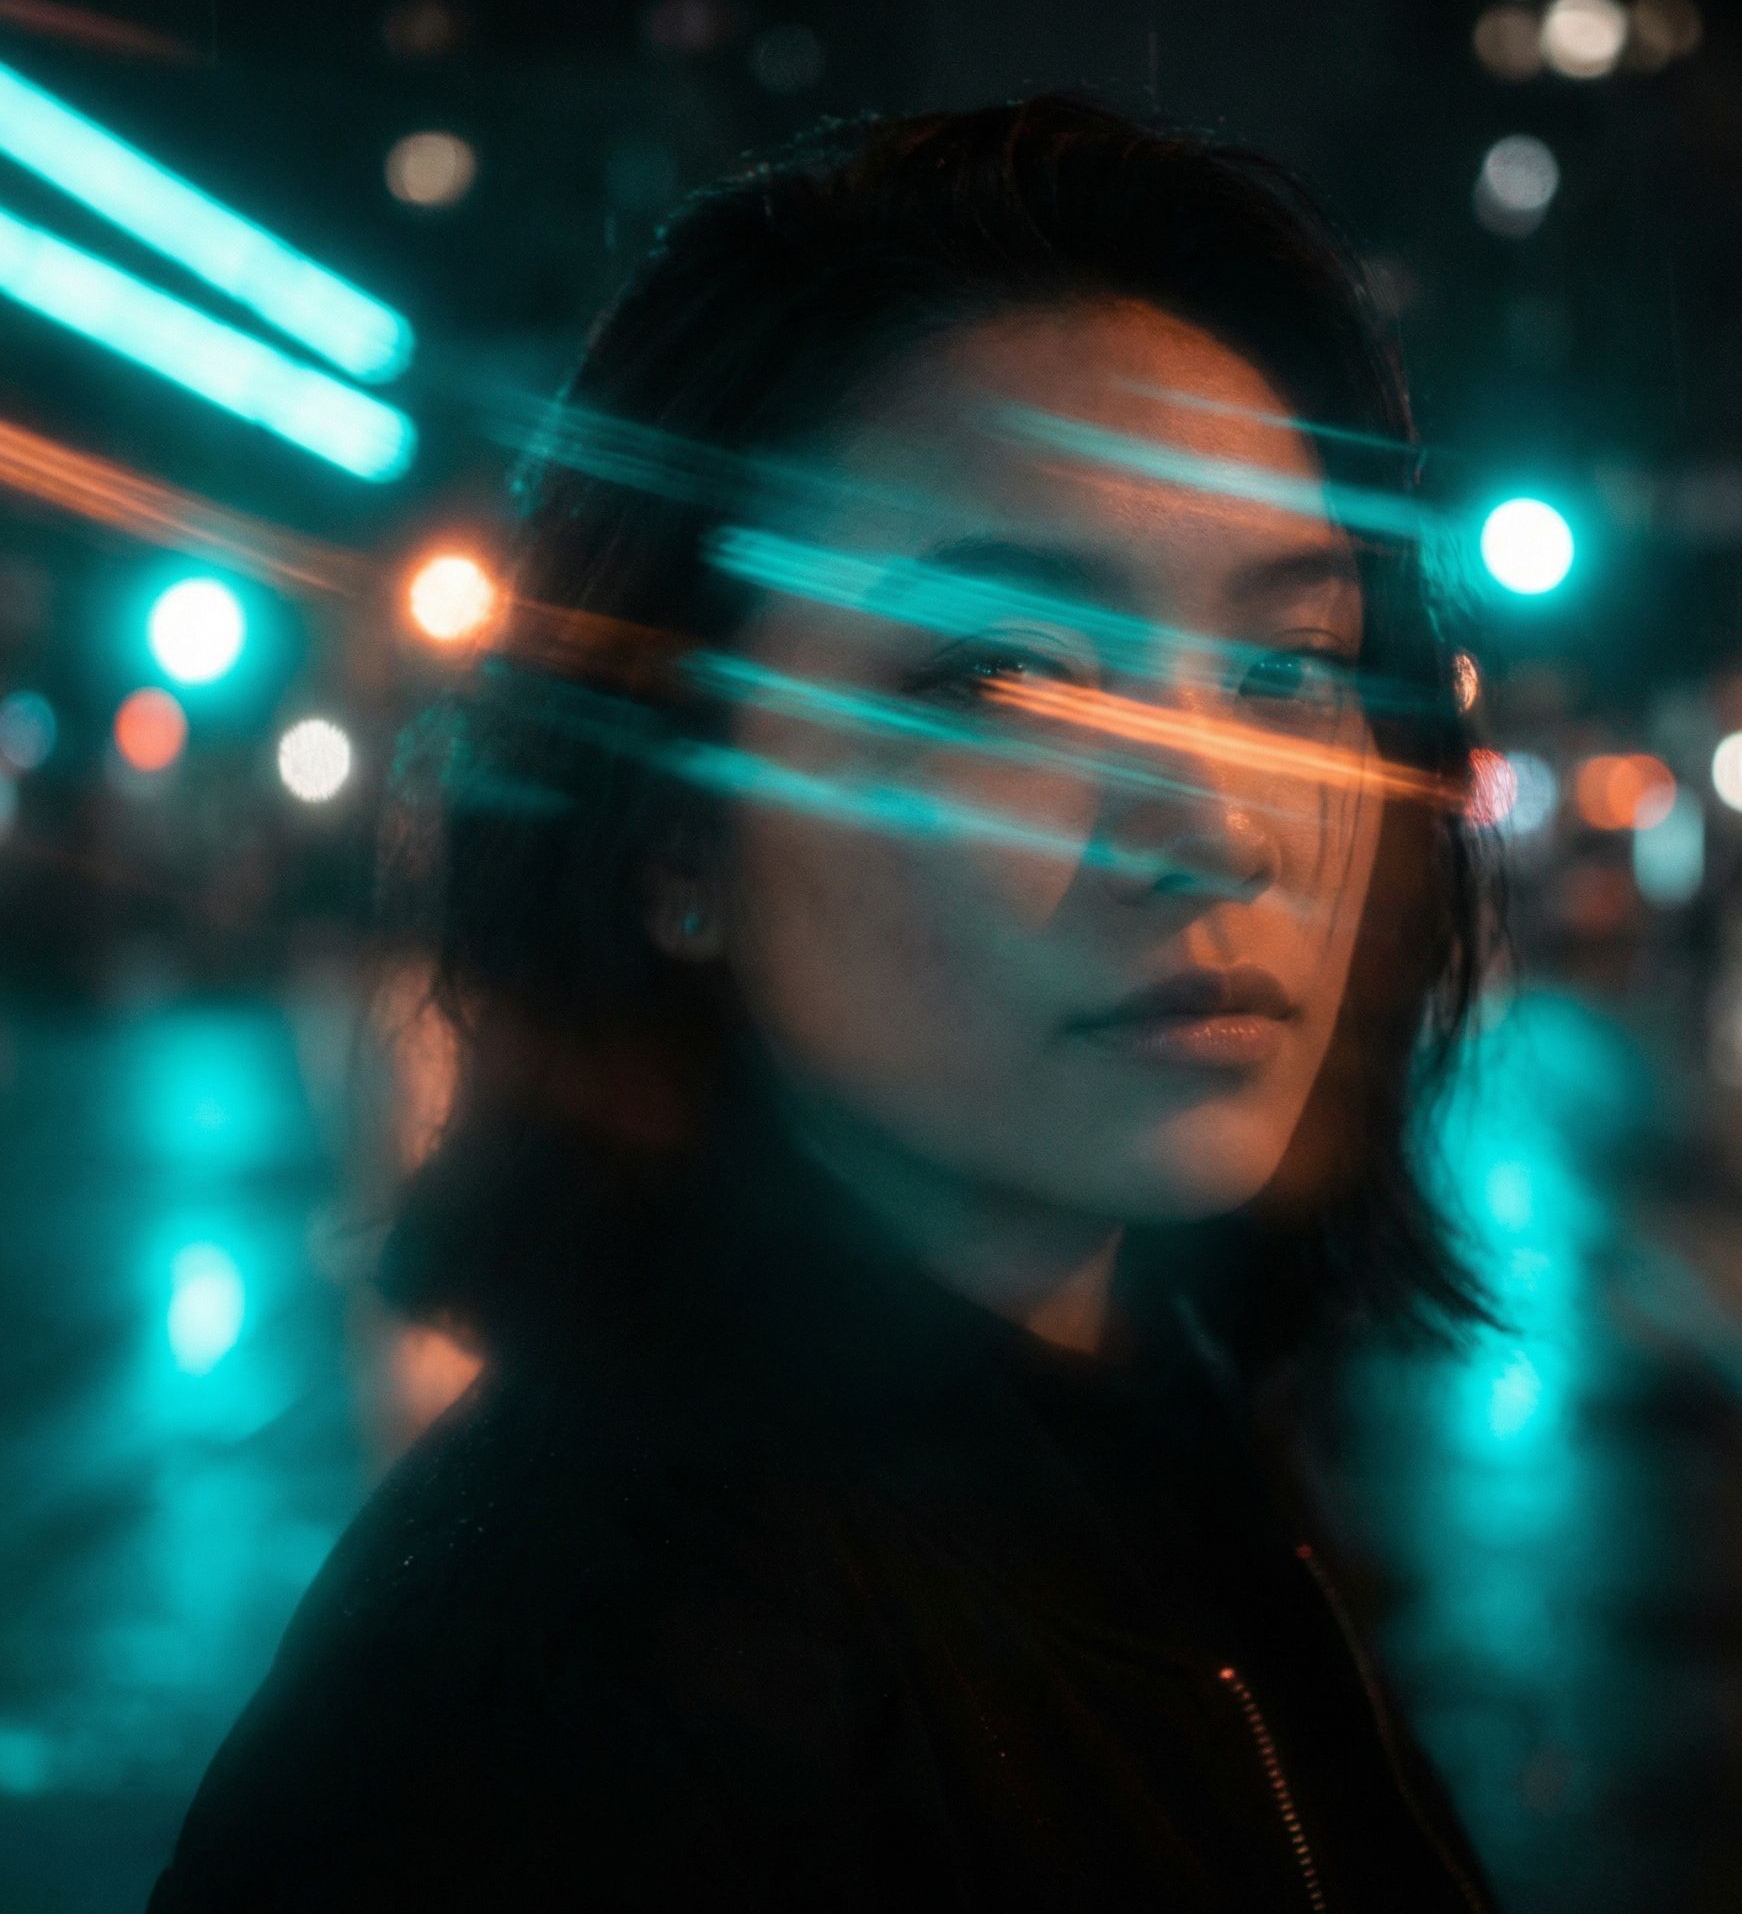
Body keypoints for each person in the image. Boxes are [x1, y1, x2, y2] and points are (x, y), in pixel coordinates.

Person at [148, 94, 1497, 1911]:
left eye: (1286, 668)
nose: (1223, 822)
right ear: (673, 828)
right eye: (1007, 677)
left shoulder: (1165, 1432)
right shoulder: (566, 1732)